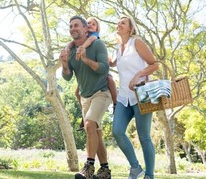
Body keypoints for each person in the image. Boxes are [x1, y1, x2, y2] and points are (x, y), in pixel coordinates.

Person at [60, 15, 113, 179]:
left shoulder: (97, 44)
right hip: (85, 97)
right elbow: (68, 77)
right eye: (70, 27)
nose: (73, 29)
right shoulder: (71, 50)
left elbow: (104, 69)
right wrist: (64, 63)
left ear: (85, 29)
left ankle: (88, 167)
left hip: (102, 93)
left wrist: (85, 59)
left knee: (89, 125)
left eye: (76, 25)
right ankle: (105, 170)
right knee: (95, 133)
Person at [110, 15, 159, 179]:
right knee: (117, 131)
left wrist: (139, 74)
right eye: (118, 22)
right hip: (124, 97)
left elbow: (155, 64)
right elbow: (110, 63)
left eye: (123, 23)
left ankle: (149, 175)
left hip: (141, 95)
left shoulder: (136, 42)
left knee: (144, 137)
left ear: (130, 28)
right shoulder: (118, 48)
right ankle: (136, 168)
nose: (119, 24)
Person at [65, 17, 117, 131]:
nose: (90, 25)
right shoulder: (81, 39)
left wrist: (82, 48)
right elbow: (71, 43)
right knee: (77, 92)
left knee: (110, 79)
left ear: (97, 28)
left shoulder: (94, 37)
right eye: (88, 23)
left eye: (93, 24)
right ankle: (85, 115)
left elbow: (106, 66)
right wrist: (67, 49)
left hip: (101, 76)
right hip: (87, 86)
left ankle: (116, 103)